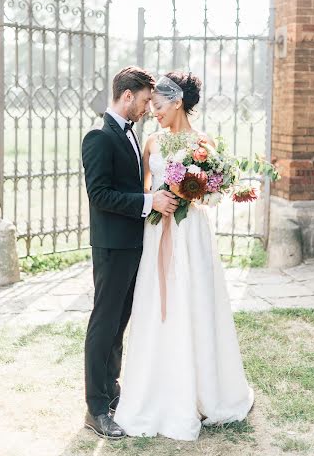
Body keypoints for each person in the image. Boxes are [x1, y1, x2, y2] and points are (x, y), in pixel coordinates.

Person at [114, 72, 254, 441]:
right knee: (158, 306)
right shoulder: (151, 142)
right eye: (151, 106)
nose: (153, 113)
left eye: (158, 106)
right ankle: (157, 392)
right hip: (158, 230)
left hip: (192, 234)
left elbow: (213, 192)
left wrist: (197, 191)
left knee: (195, 303)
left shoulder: (203, 144)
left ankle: (205, 391)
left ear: (177, 102)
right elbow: (144, 190)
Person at [82, 66, 178, 439]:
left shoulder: (132, 136)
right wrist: (147, 201)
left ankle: (112, 394)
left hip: (132, 246)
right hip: (111, 247)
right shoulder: (98, 138)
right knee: (103, 325)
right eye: (141, 101)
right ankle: (94, 408)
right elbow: (100, 195)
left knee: (119, 324)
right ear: (126, 96)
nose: (145, 108)